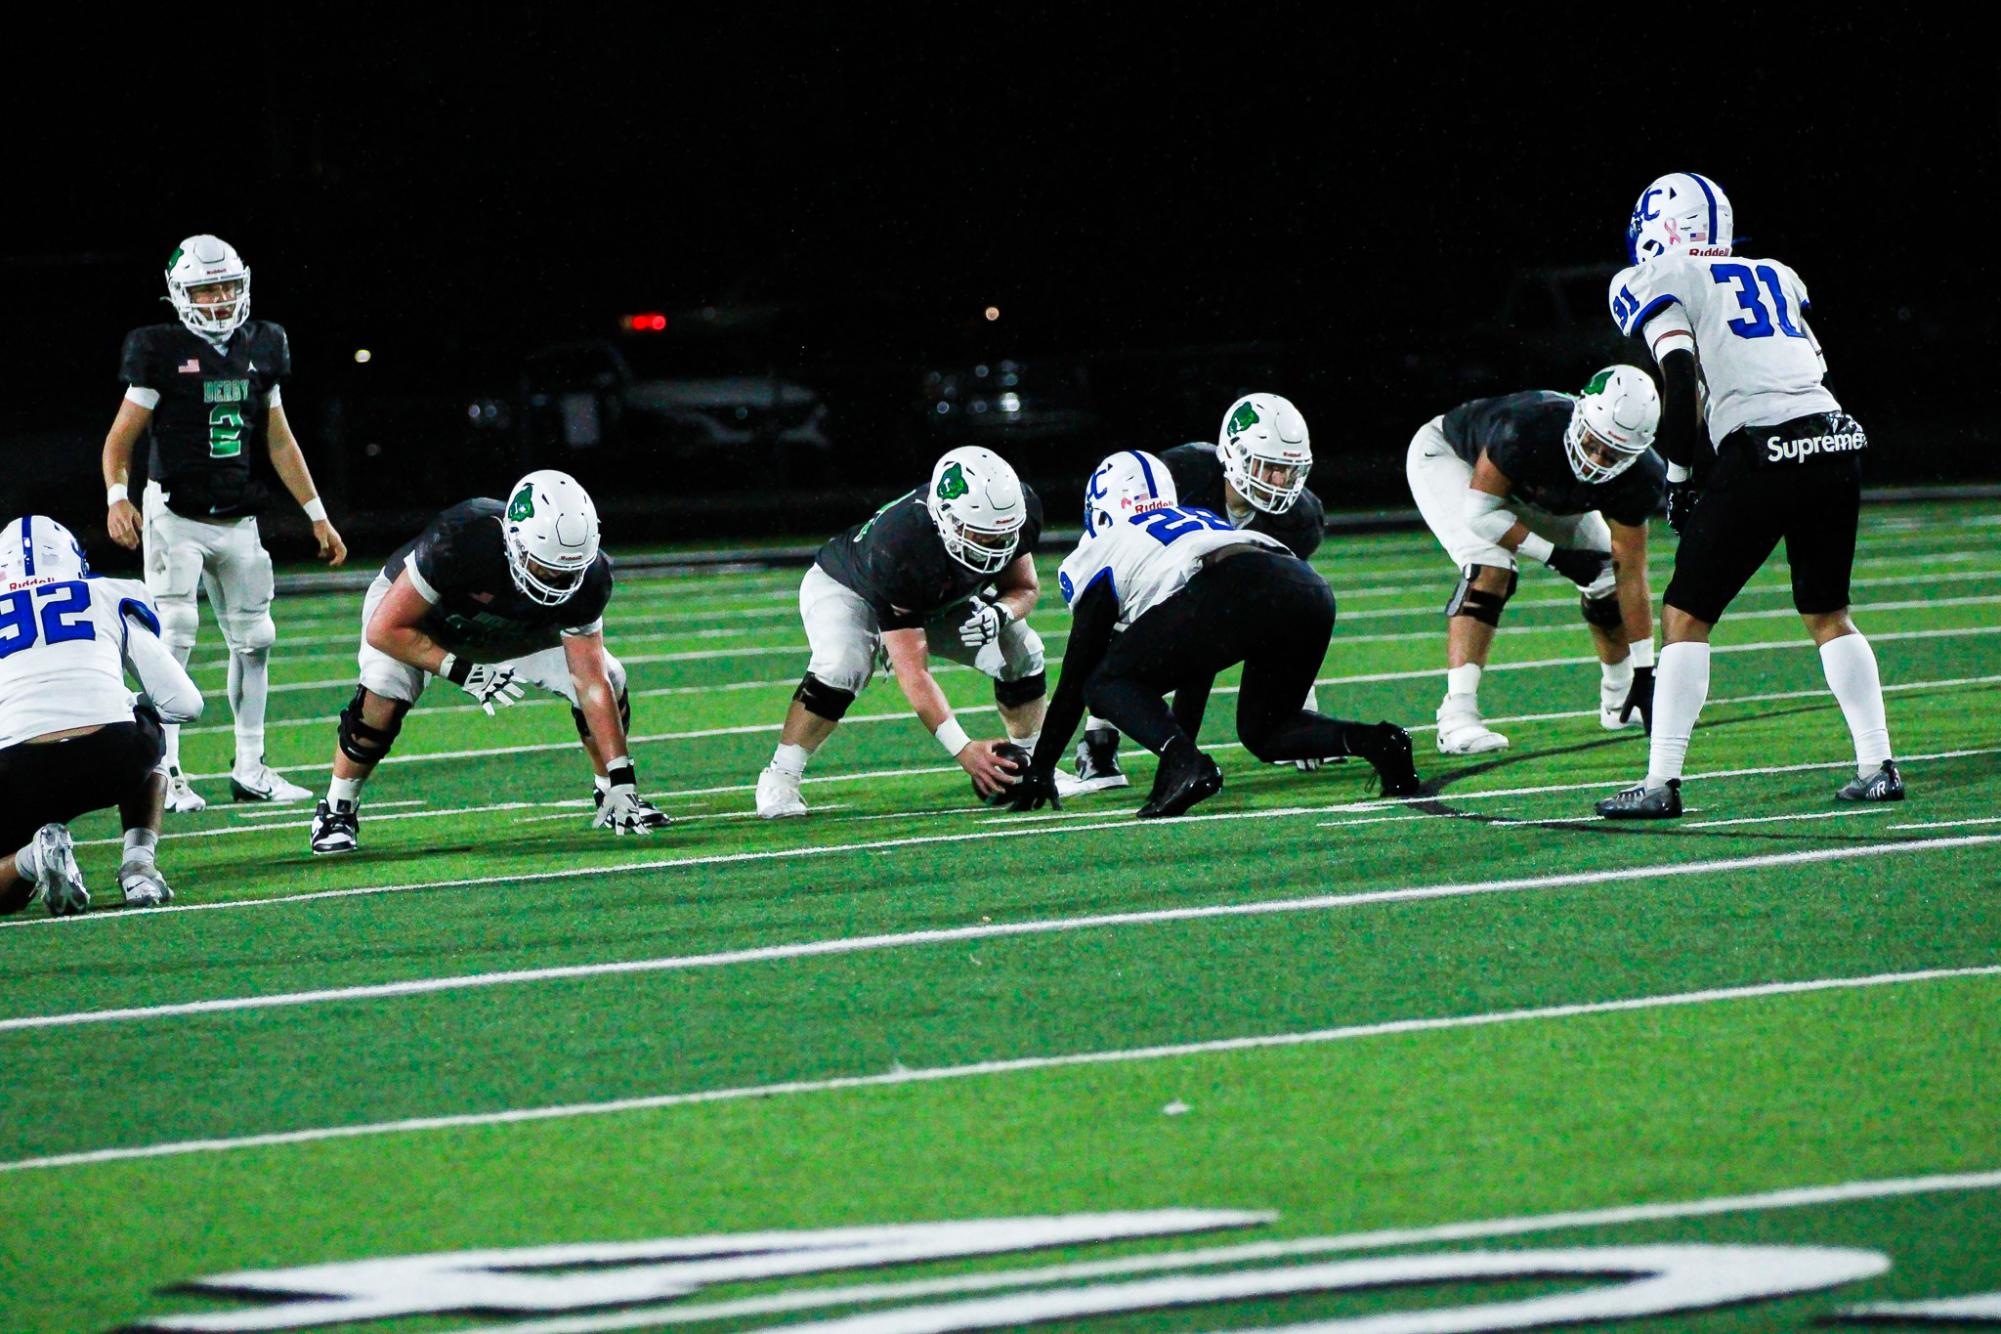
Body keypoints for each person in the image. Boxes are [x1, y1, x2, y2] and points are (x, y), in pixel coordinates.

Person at [1595, 173, 1900, 818]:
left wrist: (1679, 477)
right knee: (1828, 612)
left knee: (1684, 618)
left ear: (1661, 228)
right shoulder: (1777, 273)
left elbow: (1680, 379)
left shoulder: (1653, 279)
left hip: (1763, 448)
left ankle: (1659, 784)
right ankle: (1878, 765)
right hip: (1834, 437)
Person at [1010, 452, 1420, 820]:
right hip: (1305, 585)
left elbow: (1079, 674)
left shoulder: (1102, 550)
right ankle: (1378, 742)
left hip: (1233, 586)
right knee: (1268, 731)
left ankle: (1185, 764)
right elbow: (1197, 662)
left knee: (1102, 681)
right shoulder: (1198, 520)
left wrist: (1042, 767)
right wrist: (1179, 750)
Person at [100, 234, 347, 814]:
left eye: (228, 286)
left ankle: (251, 766)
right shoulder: (158, 349)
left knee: (256, 639)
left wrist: (317, 513)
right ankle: (168, 770)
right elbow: (120, 438)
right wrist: (117, 496)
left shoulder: (264, 344)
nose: (218, 298)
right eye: (205, 287)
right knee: (176, 635)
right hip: (176, 514)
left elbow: (279, 439)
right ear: (178, 294)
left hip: (239, 515)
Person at [308, 470, 670, 854]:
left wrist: (623, 780)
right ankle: (336, 808)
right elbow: (385, 629)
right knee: (384, 687)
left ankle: (610, 797)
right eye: (546, 566)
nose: (558, 581)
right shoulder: (463, 538)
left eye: (570, 572)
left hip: (519, 630)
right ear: (514, 541)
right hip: (428, 623)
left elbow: (591, 680)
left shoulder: (590, 576)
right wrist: (461, 671)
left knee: (610, 678)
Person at [755, 446, 1047, 817]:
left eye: (1004, 534)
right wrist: (964, 749)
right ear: (946, 517)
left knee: (1023, 649)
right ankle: (780, 777)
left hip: (934, 598)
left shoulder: (1015, 512)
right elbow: (914, 670)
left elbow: (1025, 587)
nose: (995, 544)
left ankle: (1037, 761)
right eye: (980, 533)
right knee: (843, 664)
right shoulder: (901, 543)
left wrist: (1000, 614)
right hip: (849, 587)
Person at [1062, 392, 1328, 794]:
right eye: (1268, 467)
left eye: (1287, 470)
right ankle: (1098, 742)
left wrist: (1299, 710)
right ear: (1235, 457)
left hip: (1211, 585)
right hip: (1139, 561)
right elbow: (1118, 526)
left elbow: (1285, 624)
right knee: (1118, 647)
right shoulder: (1183, 474)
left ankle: (1177, 754)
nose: (1278, 482)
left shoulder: (1298, 519)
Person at [1407, 367, 1665, 754]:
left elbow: (1631, 572)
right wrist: (1556, 557)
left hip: (1540, 486)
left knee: (1605, 577)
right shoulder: (1526, 430)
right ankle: (1456, 714)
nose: (1595, 459)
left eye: (1613, 454)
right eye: (1592, 442)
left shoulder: (1641, 476)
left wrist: (1647, 671)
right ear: (1579, 415)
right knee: (1490, 567)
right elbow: (1482, 512)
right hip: (1451, 459)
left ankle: (1620, 697)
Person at [0, 516, 203, 917]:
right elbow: (184, 703)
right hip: (111, 755)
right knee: (146, 718)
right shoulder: (109, 593)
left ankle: (33, 859)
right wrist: (122, 702)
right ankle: (139, 866)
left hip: (14, 771)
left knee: (7, 889)